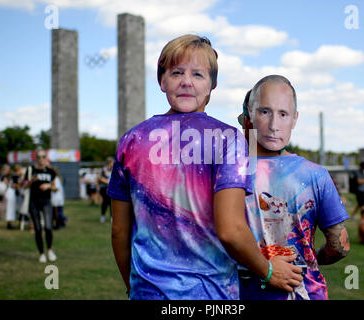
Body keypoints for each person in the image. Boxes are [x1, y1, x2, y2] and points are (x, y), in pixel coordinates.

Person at [108, 35, 302, 300]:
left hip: (147, 292)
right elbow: (230, 230)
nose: (187, 81)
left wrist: (133, 286)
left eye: (198, 74)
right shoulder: (229, 139)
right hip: (211, 294)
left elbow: (119, 231)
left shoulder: (131, 139)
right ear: (161, 80)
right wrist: (268, 270)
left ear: (212, 84)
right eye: (177, 72)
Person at [237, 75, 350, 300]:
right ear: (251, 115)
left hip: (242, 291)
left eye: (282, 114)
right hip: (303, 289)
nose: (273, 125)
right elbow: (340, 246)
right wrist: (312, 258)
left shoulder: (228, 170)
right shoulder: (316, 174)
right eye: (265, 112)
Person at [24, 149, 58, 263]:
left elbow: (55, 188)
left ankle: (49, 250)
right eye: (39, 157)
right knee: (38, 228)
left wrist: (48, 186)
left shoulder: (50, 171)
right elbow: (24, 186)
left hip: (46, 202)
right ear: (36, 158)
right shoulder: (31, 170)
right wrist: (31, 181)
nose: (42, 159)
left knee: (48, 227)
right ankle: (41, 253)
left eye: (44, 156)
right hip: (34, 202)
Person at [99, 158, 113, 223]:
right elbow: (100, 178)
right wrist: (109, 182)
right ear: (109, 162)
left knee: (111, 203)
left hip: (111, 189)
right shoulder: (104, 169)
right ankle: (103, 216)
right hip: (104, 188)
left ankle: (112, 217)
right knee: (105, 202)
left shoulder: (113, 169)